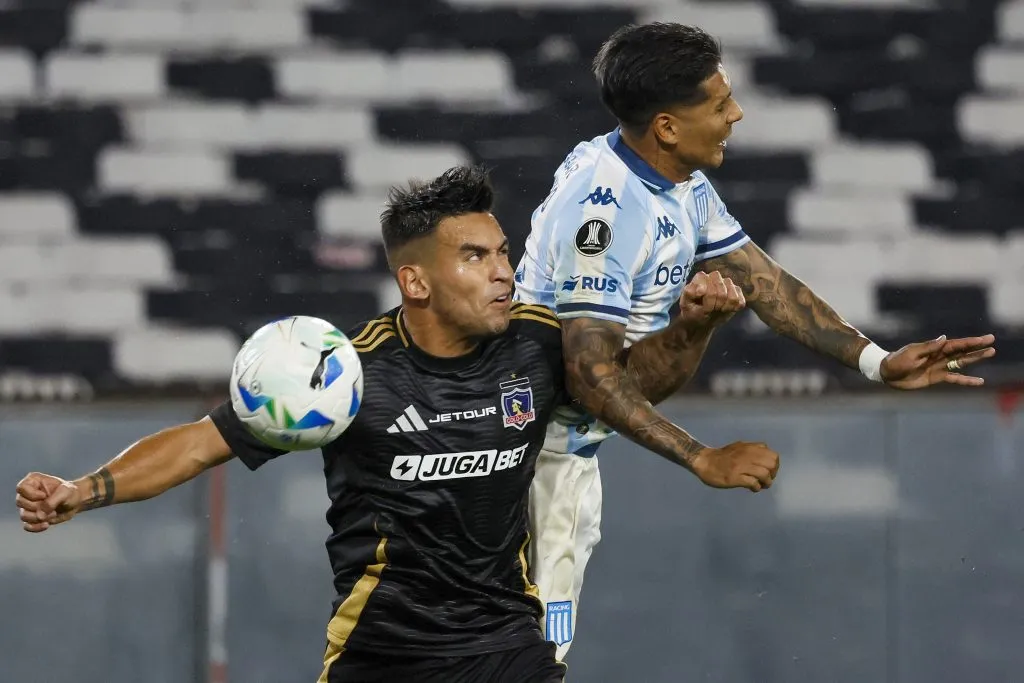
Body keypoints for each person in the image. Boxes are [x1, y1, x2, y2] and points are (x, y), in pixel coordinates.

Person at [15, 165, 761, 683]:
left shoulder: (537, 342)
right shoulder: (348, 375)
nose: (503, 270)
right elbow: (198, 442)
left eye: (503, 252)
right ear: (416, 280)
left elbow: (624, 391)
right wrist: (85, 488)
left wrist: (692, 328)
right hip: (381, 653)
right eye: (476, 256)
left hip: (506, 646)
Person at [513, 21, 998, 660]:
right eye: (718, 104)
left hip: (561, 452)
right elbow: (589, 376)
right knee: (524, 657)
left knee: (523, 657)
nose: (736, 114)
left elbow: (764, 283)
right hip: (523, 461)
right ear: (666, 126)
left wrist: (878, 362)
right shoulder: (602, 215)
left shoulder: (678, 184)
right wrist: (699, 457)